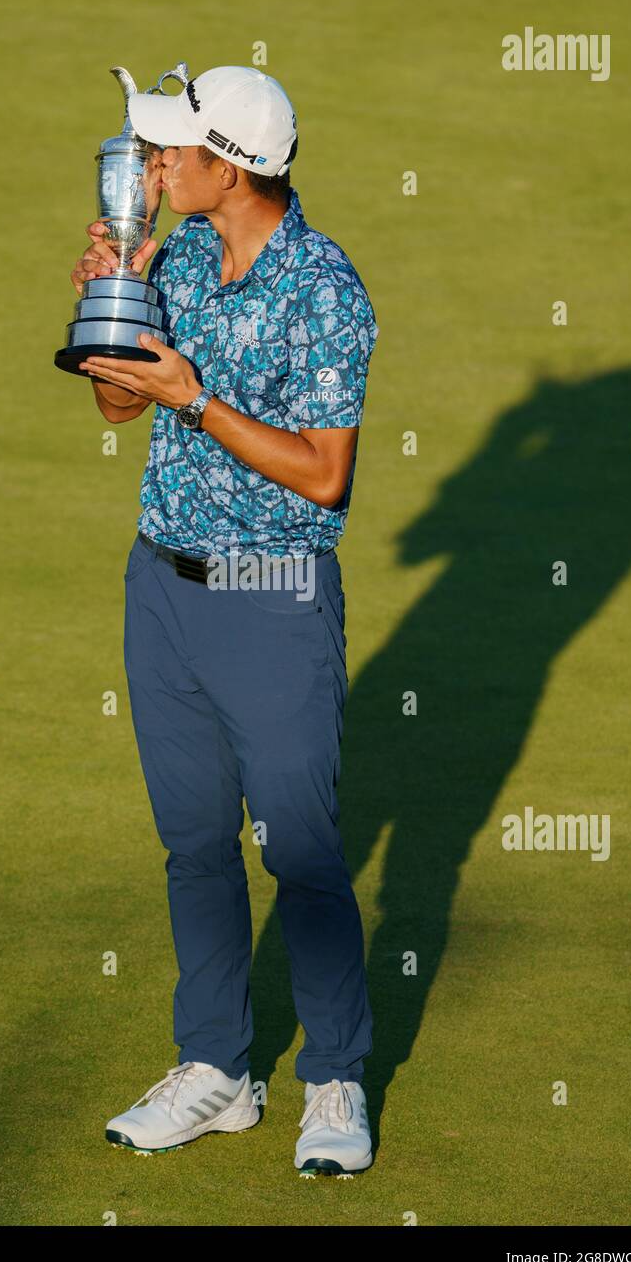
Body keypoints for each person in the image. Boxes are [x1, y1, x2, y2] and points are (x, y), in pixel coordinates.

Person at [71, 66, 379, 1177]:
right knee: (194, 847)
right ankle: (217, 1071)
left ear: (231, 166)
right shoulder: (182, 254)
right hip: (162, 588)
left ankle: (335, 1078)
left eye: (171, 151)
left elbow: (324, 477)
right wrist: (109, 309)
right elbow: (117, 398)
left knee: (298, 854)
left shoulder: (326, 289)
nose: (153, 165)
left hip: (273, 597)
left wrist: (193, 395)